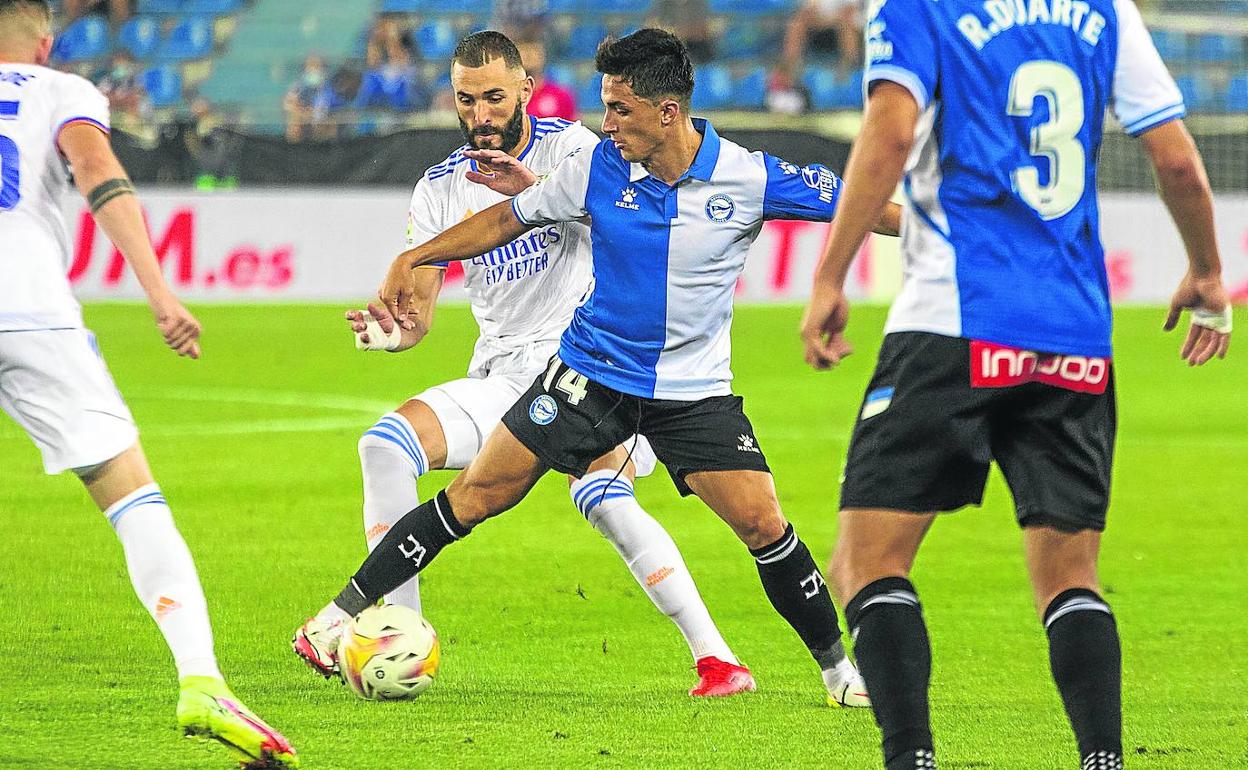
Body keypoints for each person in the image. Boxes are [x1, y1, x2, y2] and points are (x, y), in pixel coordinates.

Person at [298, 28, 904, 708]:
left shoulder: (749, 176)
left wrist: (953, 239)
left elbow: (866, 207)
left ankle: (839, 675)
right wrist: (414, 258)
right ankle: (339, 615)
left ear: (667, 113)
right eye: (606, 107)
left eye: (620, 109)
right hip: (587, 378)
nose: (607, 123)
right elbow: (505, 221)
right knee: (474, 495)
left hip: (693, 394)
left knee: (765, 526)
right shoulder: (596, 169)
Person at [798, 0, 1233, 767]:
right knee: (1071, 578)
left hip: (953, 322)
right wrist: (1205, 269)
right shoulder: (1106, 11)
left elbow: (892, 133)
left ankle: (912, 758)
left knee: (867, 561)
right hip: (1075, 337)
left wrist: (831, 274)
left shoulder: (915, 8)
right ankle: (1103, 758)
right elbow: (1175, 161)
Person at [0, 2, 297, 767]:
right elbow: (99, 173)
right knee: (131, 495)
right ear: (44, 39)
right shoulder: (60, 89)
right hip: (28, 310)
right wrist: (160, 294)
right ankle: (200, 679)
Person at [516, 40, 575, 122]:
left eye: (533, 51)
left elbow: (572, 129)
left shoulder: (561, 96)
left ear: (542, 56)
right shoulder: (510, 96)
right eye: (524, 52)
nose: (528, 57)